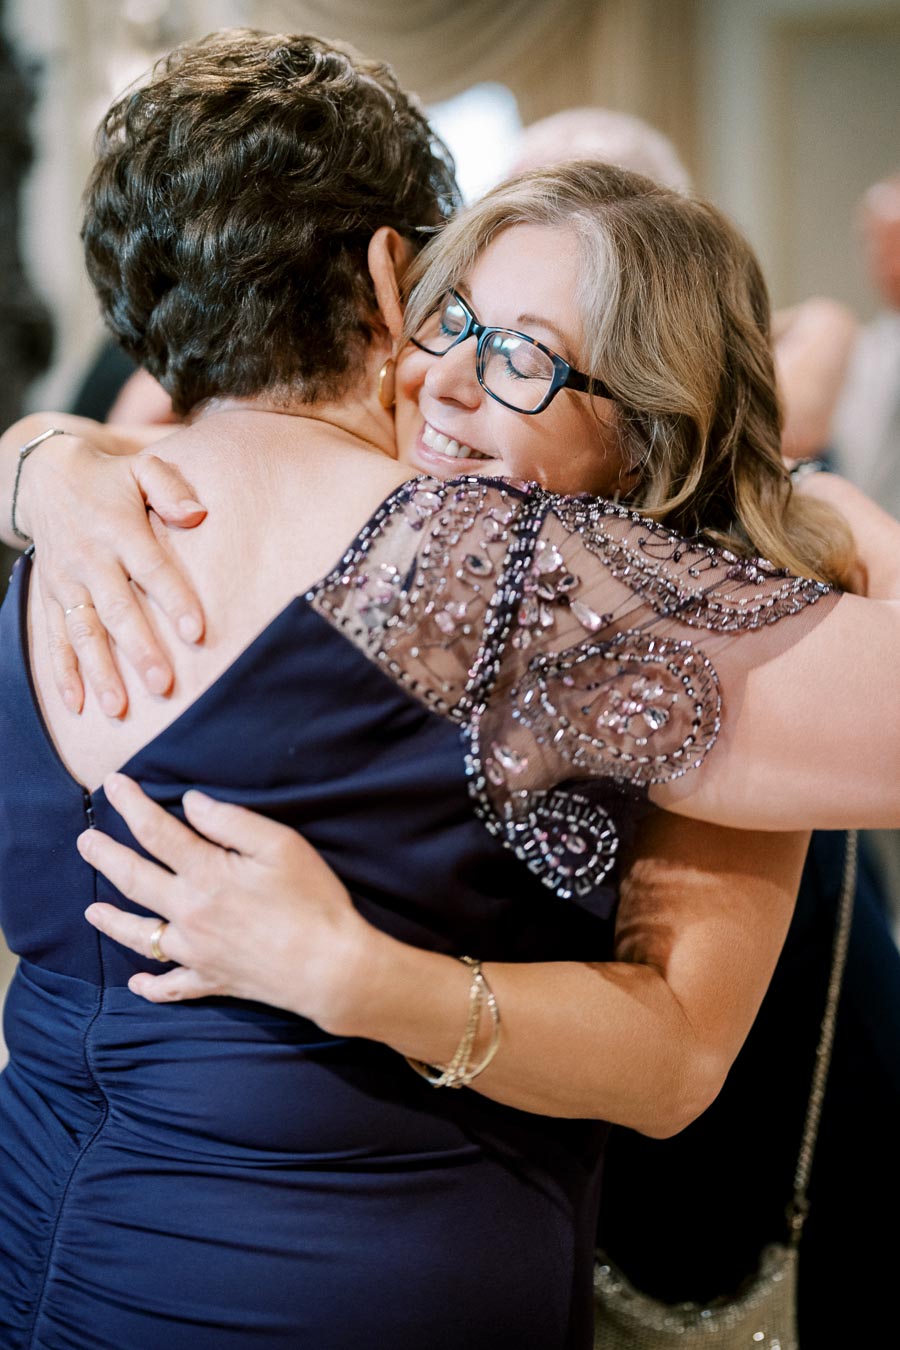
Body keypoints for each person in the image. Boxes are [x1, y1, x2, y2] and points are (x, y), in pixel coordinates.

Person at [2, 34, 900, 1350]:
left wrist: (800, 496)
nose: (451, 380)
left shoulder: (99, 540)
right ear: (390, 277)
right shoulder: (438, 556)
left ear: (657, 425)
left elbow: (677, 1058)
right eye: (453, 318)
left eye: (524, 353)